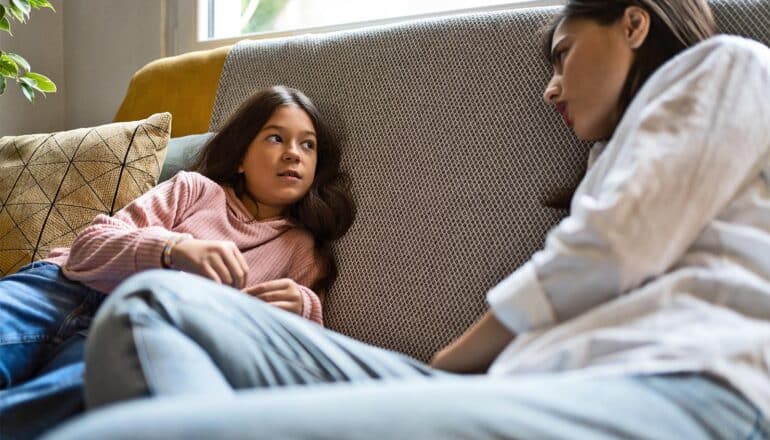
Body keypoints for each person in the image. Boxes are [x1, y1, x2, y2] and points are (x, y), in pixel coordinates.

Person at [43, 0, 770, 438]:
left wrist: (434, 371)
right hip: (525, 389)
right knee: (150, 310)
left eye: (564, 54)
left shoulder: (730, 66)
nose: (551, 88)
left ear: (634, 22)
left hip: (678, 385)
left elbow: (607, 250)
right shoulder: (611, 155)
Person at [0, 85, 355, 439]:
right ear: (241, 157)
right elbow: (87, 248)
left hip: (135, 333)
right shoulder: (193, 189)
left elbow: (302, 363)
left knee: (81, 401)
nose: (294, 154)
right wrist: (174, 249)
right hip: (62, 290)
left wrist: (305, 309)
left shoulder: (302, 250)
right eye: (276, 138)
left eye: (308, 144)